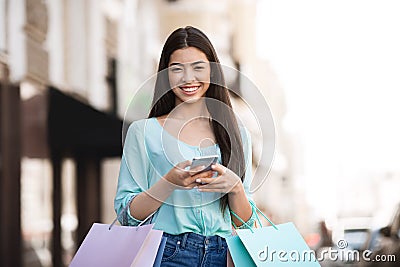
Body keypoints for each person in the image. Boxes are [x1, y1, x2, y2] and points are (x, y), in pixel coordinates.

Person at [114, 26, 257, 267]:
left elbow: (246, 224)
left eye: (198, 67)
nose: (188, 78)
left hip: (222, 255)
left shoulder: (237, 135)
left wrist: (235, 189)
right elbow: (127, 216)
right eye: (177, 69)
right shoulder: (143, 132)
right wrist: (169, 182)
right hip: (167, 253)